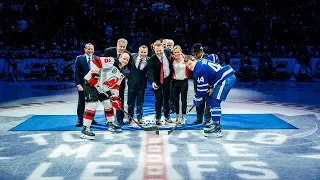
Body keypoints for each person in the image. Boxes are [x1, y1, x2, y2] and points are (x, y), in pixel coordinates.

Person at [80, 53, 130, 140]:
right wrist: (94, 75)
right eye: (124, 58)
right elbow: (95, 62)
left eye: (127, 60)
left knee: (108, 104)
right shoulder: (112, 61)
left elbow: (115, 86)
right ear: (120, 57)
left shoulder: (121, 74)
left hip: (102, 88)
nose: (125, 61)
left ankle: (111, 123)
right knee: (92, 104)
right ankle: (85, 128)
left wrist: (115, 98)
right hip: (91, 84)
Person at [184, 55, 236, 137]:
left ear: (194, 60)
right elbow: (214, 57)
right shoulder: (201, 62)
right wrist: (210, 87)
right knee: (213, 101)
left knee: (215, 101)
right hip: (224, 77)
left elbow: (202, 88)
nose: (189, 67)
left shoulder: (199, 68)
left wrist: (197, 98)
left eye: (190, 64)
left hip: (225, 79)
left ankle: (216, 127)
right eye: (188, 66)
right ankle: (215, 122)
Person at [103, 38, 132, 125]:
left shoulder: (128, 54)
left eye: (124, 47)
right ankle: (108, 119)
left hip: (120, 80)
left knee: (120, 99)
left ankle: (120, 119)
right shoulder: (108, 51)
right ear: (117, 45)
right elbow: (103, 64)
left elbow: (130, 68)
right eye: (121, 46)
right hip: (107, 80)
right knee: (107, 100)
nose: (122, 48)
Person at [147, 40, 173, 125]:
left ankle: (167, 116)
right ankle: (158, 117)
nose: (159, 52)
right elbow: (150, 72)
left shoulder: (168, 52)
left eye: (160, 50)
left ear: (163, 48)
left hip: (167, 80)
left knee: (167, 99)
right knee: (158, 100)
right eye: (157, 51)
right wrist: (153, 82)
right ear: (154, 49)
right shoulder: (152, 59)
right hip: (157, 81)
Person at [74, 43, 98, 127]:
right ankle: (80, 120)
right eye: (88, 49)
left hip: (93, 85)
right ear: (85, 49)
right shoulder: (79, 58)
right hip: (82, 85)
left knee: (92, 103)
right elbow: (76, 73)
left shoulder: (97, 58)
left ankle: (91, 118)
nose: (90, 50)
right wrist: (78, 85)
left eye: (92, 49)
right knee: (81, 102)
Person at [127, 45, 149, 124]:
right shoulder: (132, 57)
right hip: (131, 84)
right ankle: (130, 118)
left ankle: (139, 118)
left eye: (145, 52)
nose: (143, 54)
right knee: (130, 102)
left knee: (140, 102)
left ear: (147, 52)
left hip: (142, 85)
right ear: (138, 51)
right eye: (141, 52)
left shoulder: (149, 60)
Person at [190, 43, 211, 125]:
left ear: (201, 51)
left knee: (208, 104)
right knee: (199, 102)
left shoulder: (208, 58)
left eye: (196, 53)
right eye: (194, 53)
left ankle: (207, 121)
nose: (195, 55)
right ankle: (199, 118)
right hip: (198, 84)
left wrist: (210, 86)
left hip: (207, 85)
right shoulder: (194, 59)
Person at [171, 45, 189, 124]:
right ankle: (177, 117)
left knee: (183, 100)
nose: (177, 54)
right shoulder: (172, 59)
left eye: (178, 52)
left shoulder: (186, 59)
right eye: (175, 52)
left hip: (184, 81)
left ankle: (183, 117)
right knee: (176, 100)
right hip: (175, 82)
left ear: (181, 52)